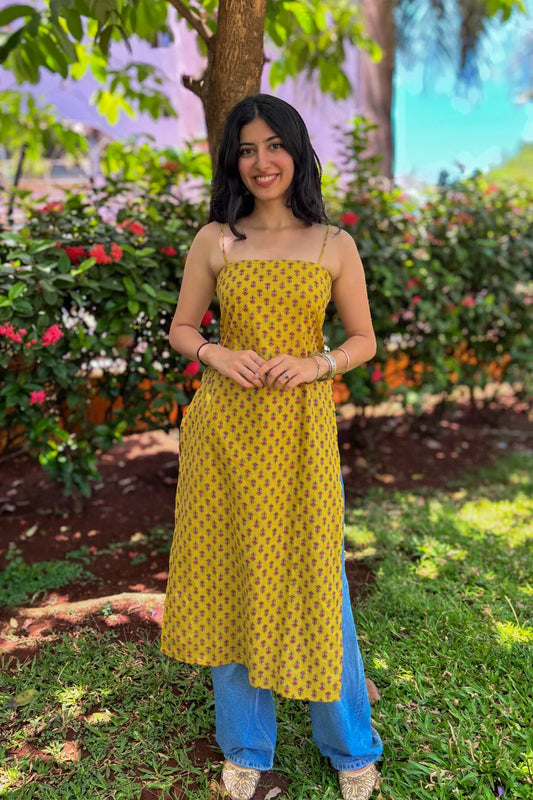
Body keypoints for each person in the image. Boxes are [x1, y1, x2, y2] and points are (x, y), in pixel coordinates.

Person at [161, 93, 383, 800]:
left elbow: (362, 340)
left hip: (300, 438)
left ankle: (352, 747)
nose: (261, 161)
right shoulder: (215, 240)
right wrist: (217, 355)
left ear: (297, 151)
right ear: (234, 160)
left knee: (320, 587)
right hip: (224, 434)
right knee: (229, 582)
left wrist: (317, 363)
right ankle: (246, 748)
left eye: (274, 145)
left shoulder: (331, 243)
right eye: (246, 149)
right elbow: (182, 329)